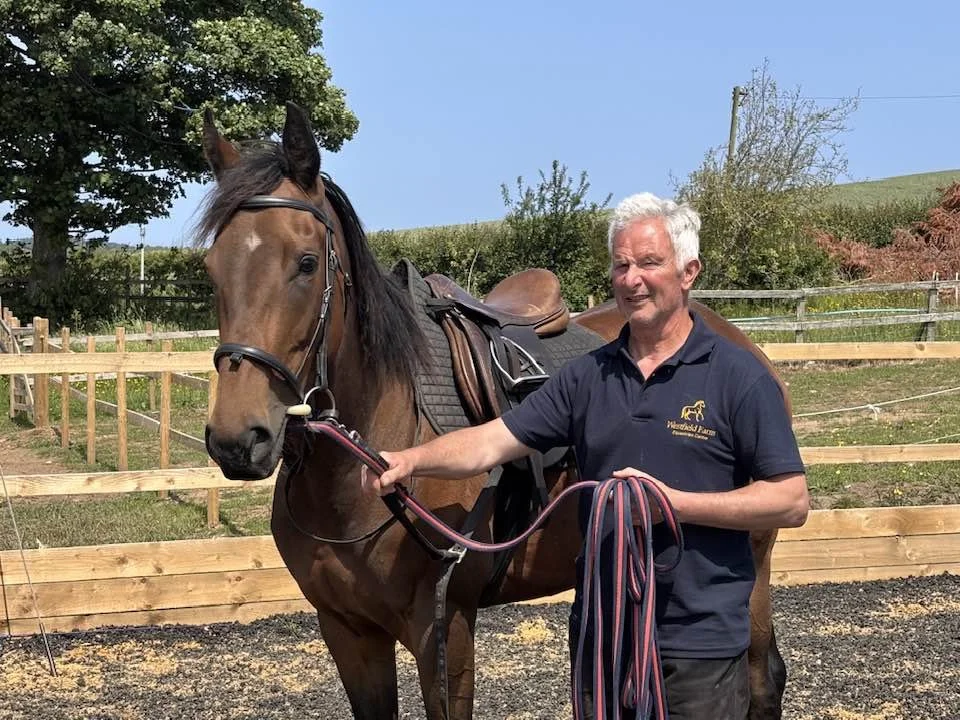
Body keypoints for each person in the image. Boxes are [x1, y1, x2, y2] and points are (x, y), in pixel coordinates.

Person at [361, 192, 809, 719]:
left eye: (649, 262)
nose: (631, 278)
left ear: (689, 272)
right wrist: (413, 459)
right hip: (604, 639)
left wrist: (677, 505)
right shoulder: (586, 377)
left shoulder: (738, 378)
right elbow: (491, 440)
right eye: (621, 264)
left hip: (697, 643)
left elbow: (790, 500)